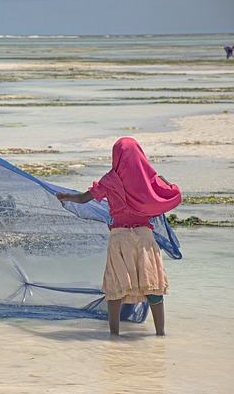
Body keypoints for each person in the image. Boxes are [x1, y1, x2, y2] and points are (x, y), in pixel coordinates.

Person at [55, 137, 182, 336]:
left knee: (115, 286)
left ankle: (114, 335)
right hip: (145, 237)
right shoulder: (150, 180)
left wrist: (66, 197)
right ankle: (160, 335)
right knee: (153, 286)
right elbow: (174, 196)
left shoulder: (110, 180)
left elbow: (83, 198)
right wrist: (164, 180)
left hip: (120, 237)